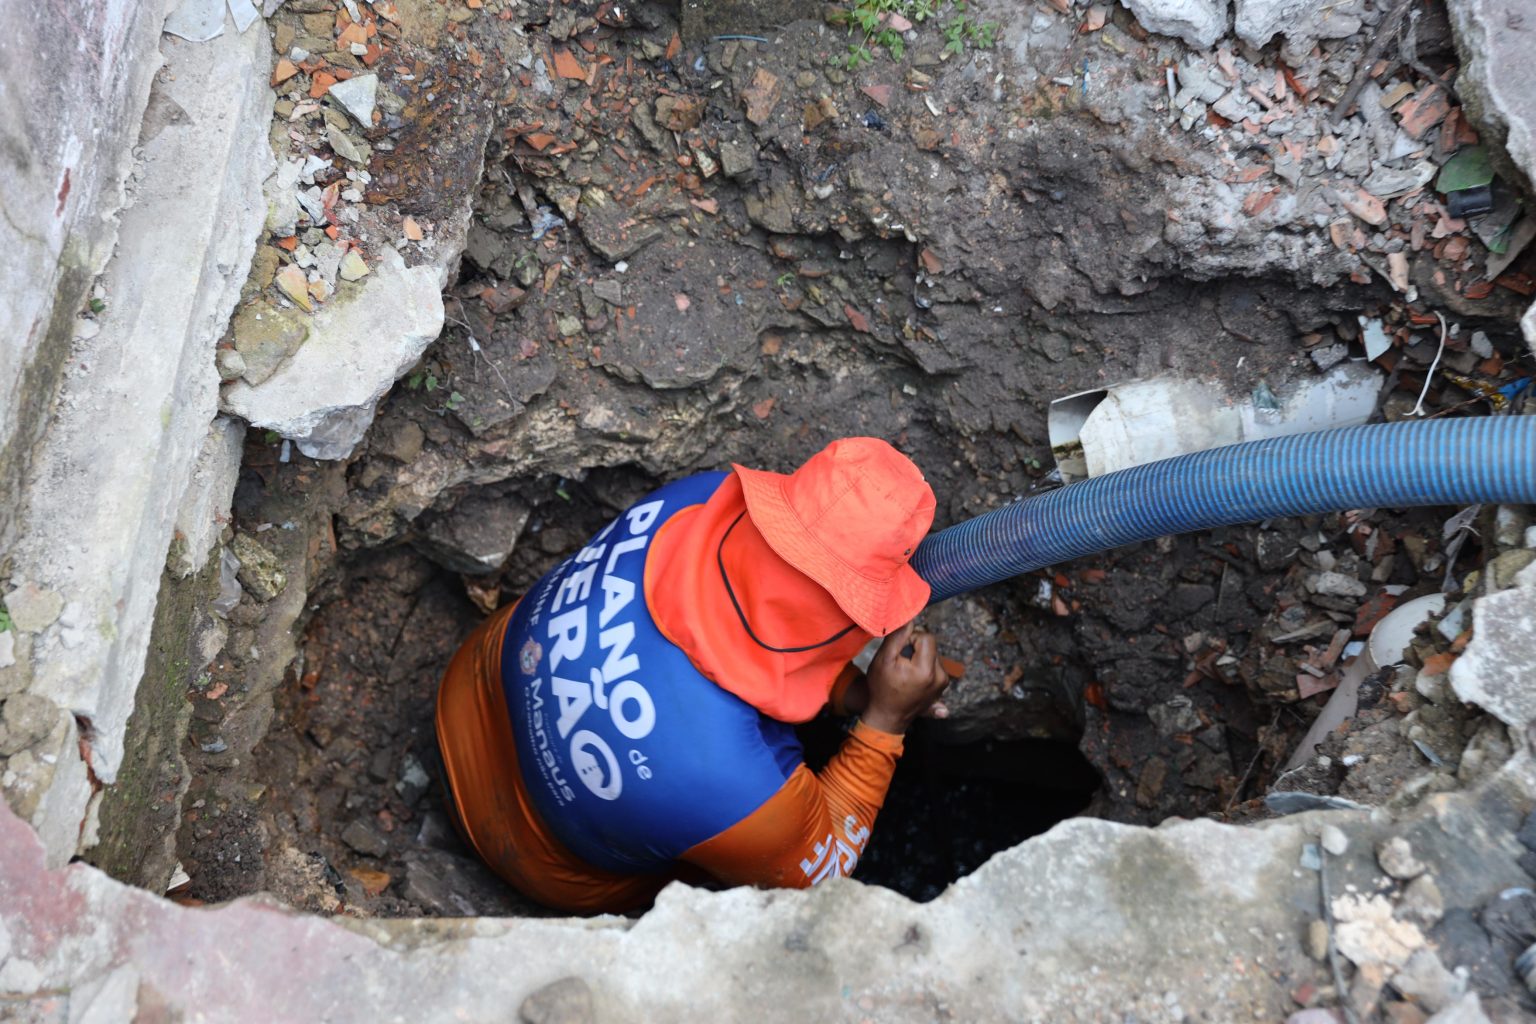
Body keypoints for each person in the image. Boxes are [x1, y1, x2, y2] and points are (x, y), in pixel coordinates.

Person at [434, 436, 951, 913]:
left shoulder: (700, 499)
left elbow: (749, 610)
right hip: (532, 858)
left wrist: (853, 694)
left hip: (470, 687)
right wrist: (885, 721)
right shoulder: (730, 786)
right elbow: (822, 874)